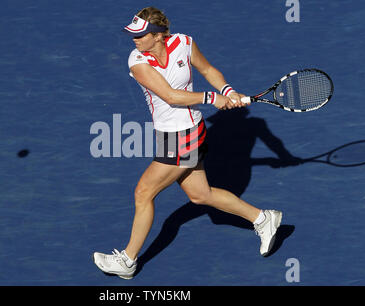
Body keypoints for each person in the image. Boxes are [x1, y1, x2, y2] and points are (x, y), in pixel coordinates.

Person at [93, 7, 282, 280]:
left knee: (143, 193)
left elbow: (207, 69)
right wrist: (211, 99)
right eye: (133, 34)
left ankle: (128, 260)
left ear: (158, 36)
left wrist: (226, 91)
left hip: (185, 136)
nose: (135, 39)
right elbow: (170, 96)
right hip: (172, 134)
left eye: (141, 35)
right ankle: (263, 218)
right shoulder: (137, 61)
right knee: (200, 195)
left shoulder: (184, 43)